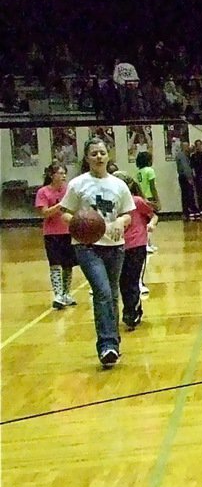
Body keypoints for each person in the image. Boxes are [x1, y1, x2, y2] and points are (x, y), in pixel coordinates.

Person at [58, 136, 134, 368]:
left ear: (108, 154)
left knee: (111, 294)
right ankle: (106, 345)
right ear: (87, 158)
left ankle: (114, 343)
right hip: (87, 247)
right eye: (94, 153)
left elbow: (128, 213)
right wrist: (81, 226)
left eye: (102, 152)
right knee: (101, 291)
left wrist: (121, 222)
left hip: (115, 246)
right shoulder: (78, 184)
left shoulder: (119, 185)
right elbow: (64, 212)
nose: (99, 157)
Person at [113, 172, 157, 331]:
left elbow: (153, 215)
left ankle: (131, 312)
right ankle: (132, 309)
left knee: (132, 280)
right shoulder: (112, 203)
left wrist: (151, 224)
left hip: (136, 245)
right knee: (122, 281)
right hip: (118, 245)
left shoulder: (137, 201)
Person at [35, 162, 78, 310]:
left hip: (68, 232)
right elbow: (45, 212)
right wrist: (60, 205)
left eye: (65, 173)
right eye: (60, 173)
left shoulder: (68, 190)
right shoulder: (43, 192)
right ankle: (58, 294)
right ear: (52, 175)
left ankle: (66, 293)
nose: (64, 176)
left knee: (68, 265)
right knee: (55, 264)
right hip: (52, 233)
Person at [175, 139, 201, 220]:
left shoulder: (186, 155)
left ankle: (188, 211)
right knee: (187, 194)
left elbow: (192, 150)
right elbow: (185, 167)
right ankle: (188, 212)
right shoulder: (182, 155)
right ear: (182, 147)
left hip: (185, 176)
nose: (187, 148)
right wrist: (189, 178)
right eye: (186, 146)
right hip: (185, 177)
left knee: (187, 194)